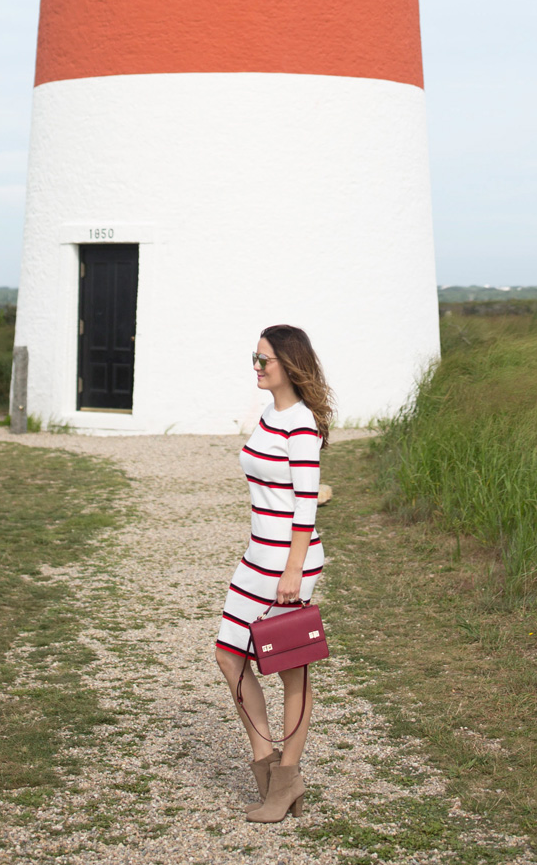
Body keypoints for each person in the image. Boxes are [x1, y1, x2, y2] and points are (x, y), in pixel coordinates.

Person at [214, 324, 333, 823]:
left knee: (290, 668)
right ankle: (268, 764)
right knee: (228, 655)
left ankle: (285, 779)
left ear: (290, 363)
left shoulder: (301, 425)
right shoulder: (271, 414)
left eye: (266, 360)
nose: (258, 368)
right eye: (255, 359)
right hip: (256, 554)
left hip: (287, 562)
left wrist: (292, 571)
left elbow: (306, 505)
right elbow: (297, 489)